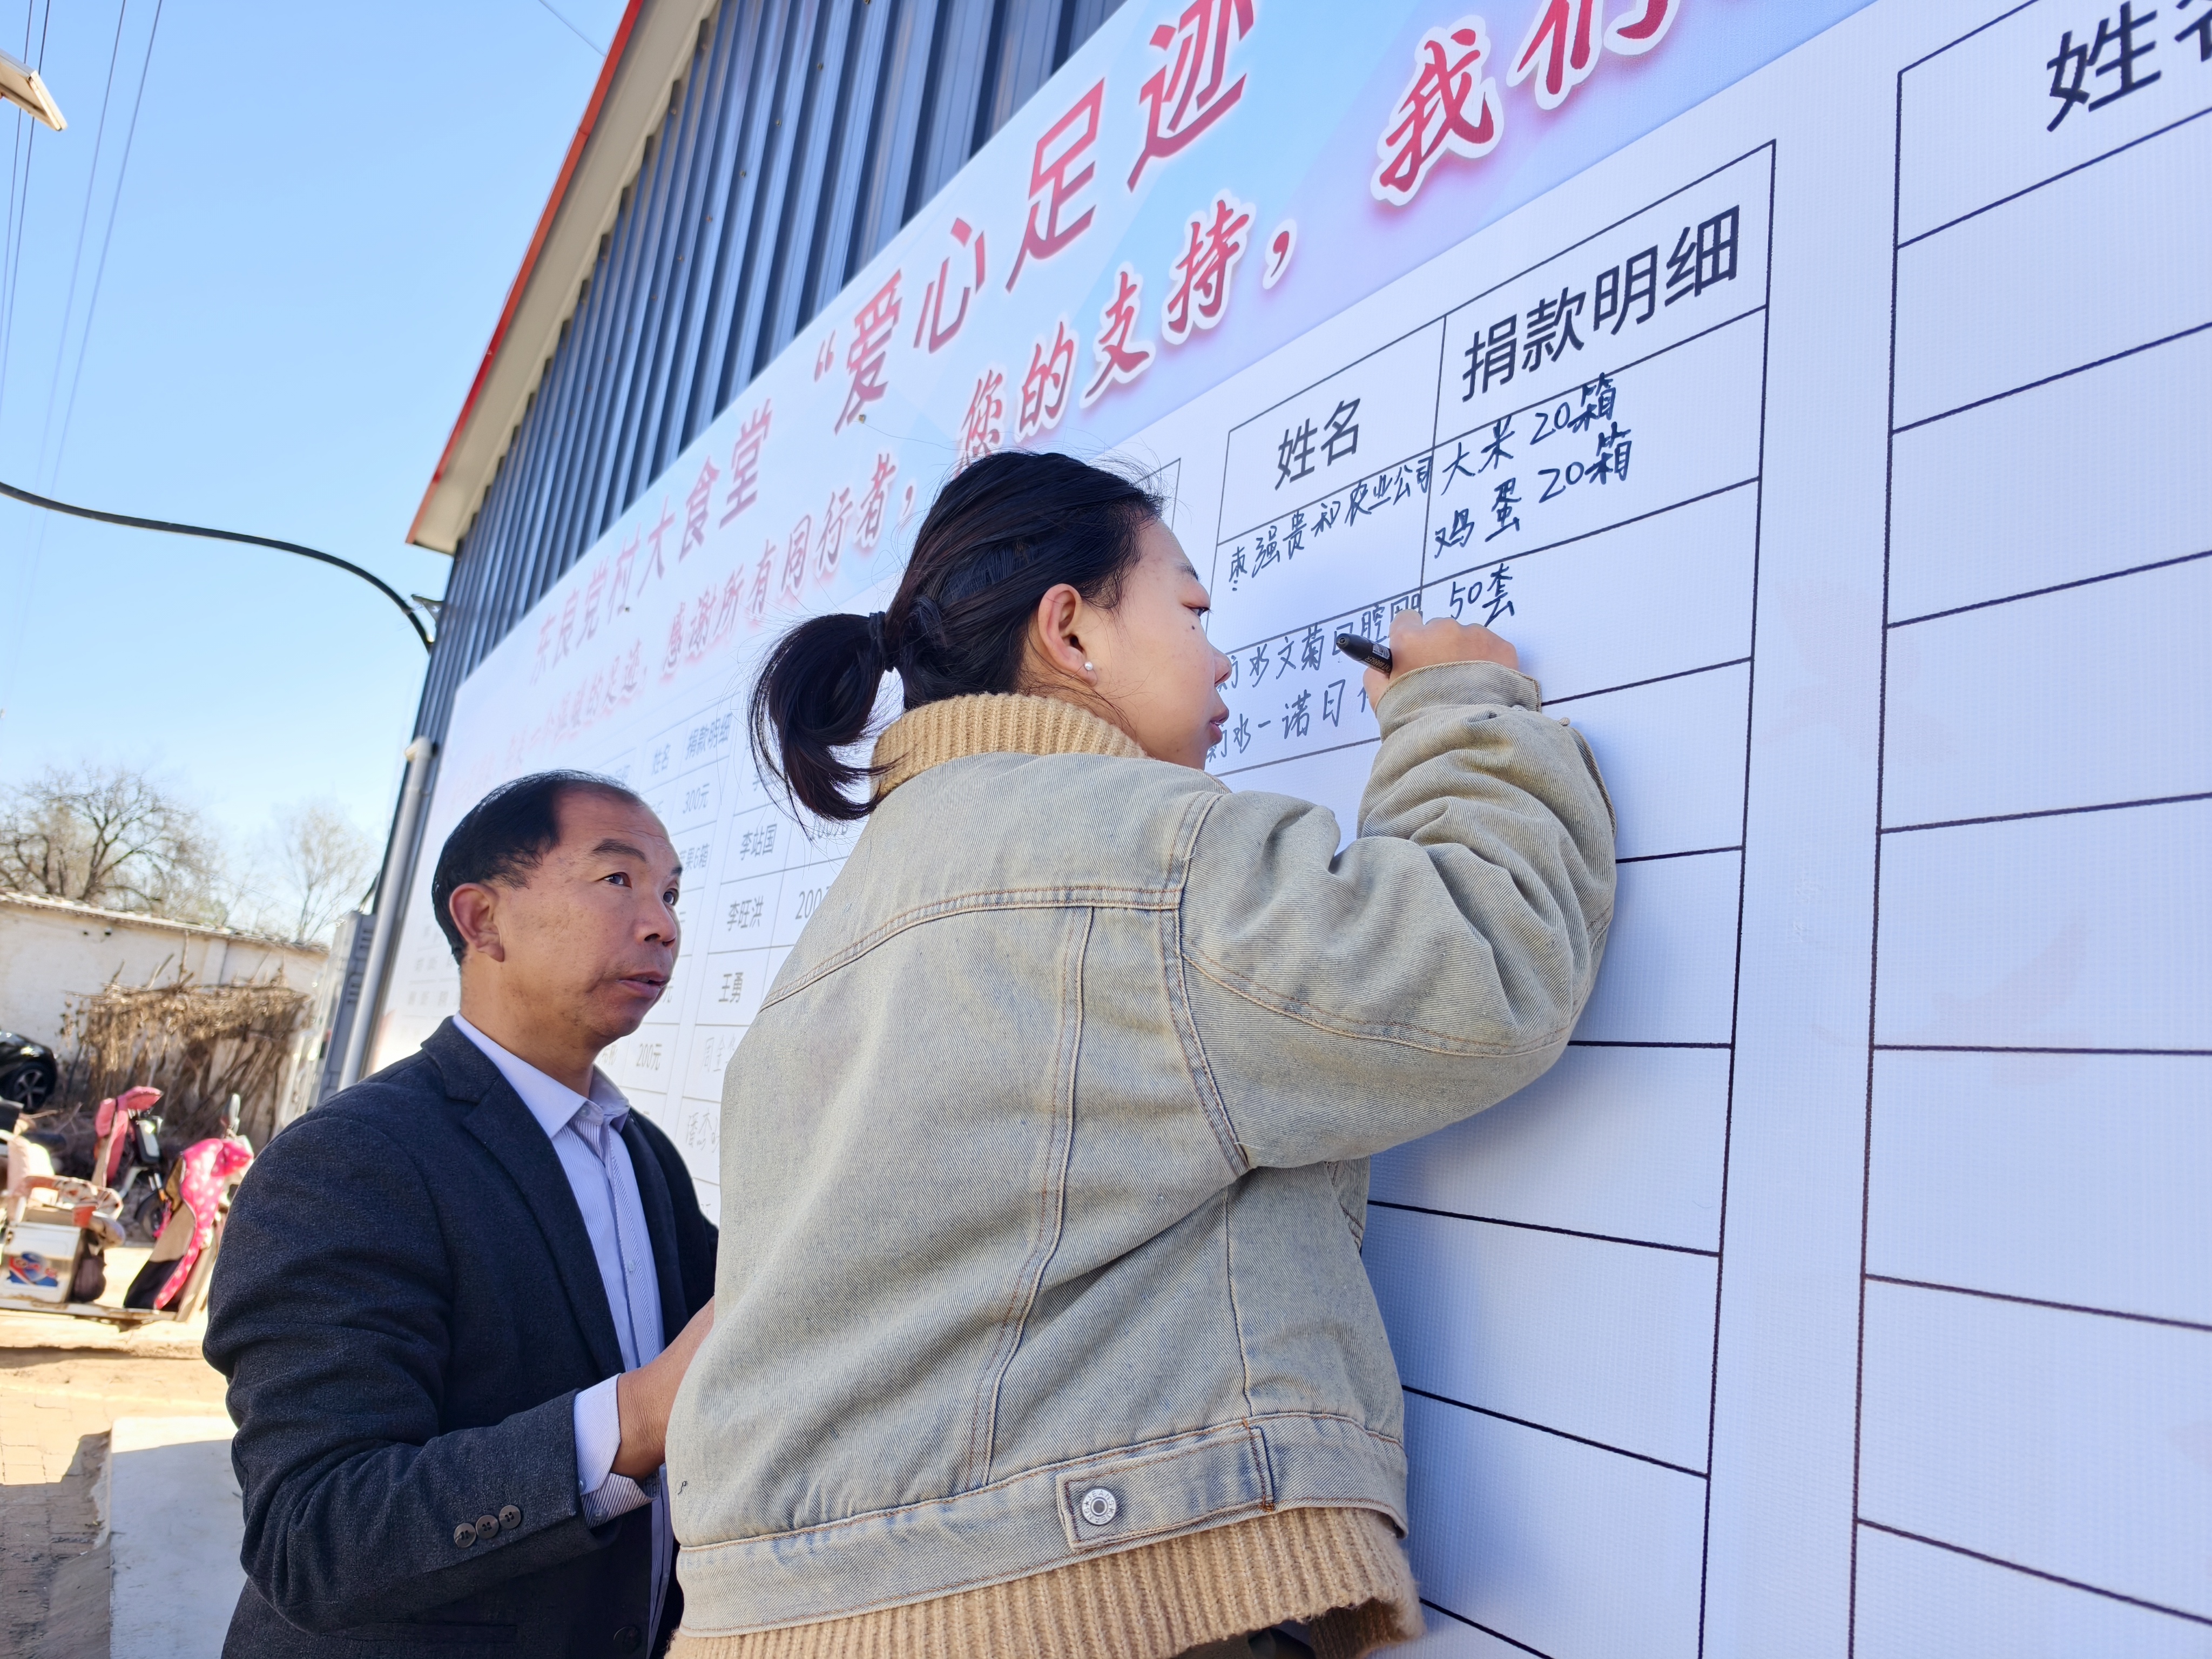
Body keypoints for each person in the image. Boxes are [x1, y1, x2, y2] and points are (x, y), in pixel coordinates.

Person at [664, 453, 1616, 1659]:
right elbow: (1481, 963)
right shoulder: (1134, 849)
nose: (1222, 661)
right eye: (1191, 609)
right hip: (1030, 1606)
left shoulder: (844, 925)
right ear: (1070, 630)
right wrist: (1461, 707)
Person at [206, 772, 718, 1657]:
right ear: (482, 920)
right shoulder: (351, 1159)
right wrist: (635, 1423)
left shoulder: (644, 1158)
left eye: (671, 894)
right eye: (618, 880)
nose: (662, 925)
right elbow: (316, 1534)